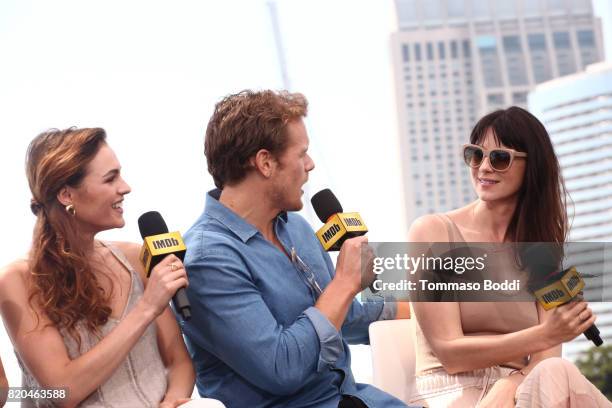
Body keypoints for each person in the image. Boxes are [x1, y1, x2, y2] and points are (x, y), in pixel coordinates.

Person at [179, 90, 411, 408]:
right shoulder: (208, 260)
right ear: (265, 163)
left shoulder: (296, 227)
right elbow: (281, 367)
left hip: (355, 398)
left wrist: (449, 300)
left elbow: (347, 317)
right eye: (301, 154)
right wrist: (344, 282)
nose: (310, 164)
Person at [407, 107, 611, 407]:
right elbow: (449, 351)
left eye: (499, 158)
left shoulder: (541, 251)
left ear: (533, 168)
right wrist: (545, 334)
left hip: (524, 392)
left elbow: (547, 357)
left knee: (557, 371)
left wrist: (510, 382)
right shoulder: (434, 233)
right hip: (450, 393)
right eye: (475, 155)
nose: (484, 167)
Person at [0, 128, 201, 407]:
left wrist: (171, 402)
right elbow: (64, 391)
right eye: (111, 178)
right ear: (67, 195)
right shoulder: (18, 280)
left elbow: (179, 363)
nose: (125, 187)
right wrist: (147, 308)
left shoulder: (134, 258)